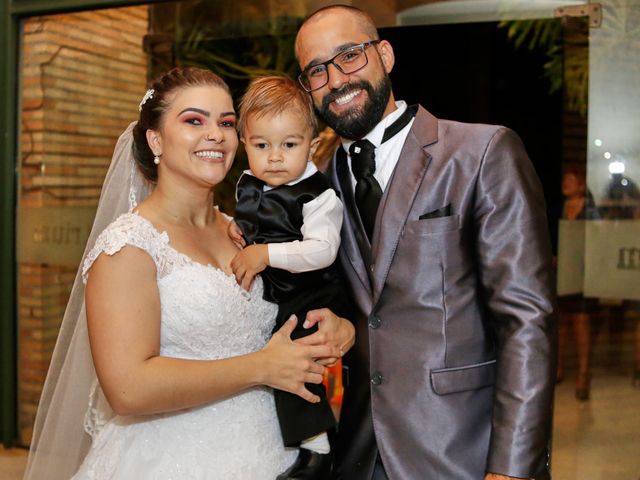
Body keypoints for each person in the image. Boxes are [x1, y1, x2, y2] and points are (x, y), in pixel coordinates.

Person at [23, 67, 353, 480]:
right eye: (194, 120)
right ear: (155, 139)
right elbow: (128, 389)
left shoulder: (244, 232)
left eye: (226, 122)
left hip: (276, 452)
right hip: (172, 458)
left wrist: (339, 325)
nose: (215, 134)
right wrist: (260, 368)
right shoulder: (128, 246)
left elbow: (300, 295)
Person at [294, 5, 557, 480]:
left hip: (464, 452)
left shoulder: (481, 154)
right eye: (317, 70)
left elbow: (525, 321)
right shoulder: (317, 184)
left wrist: (513, 467)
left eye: (349, 56)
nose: (335, 79)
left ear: (386, 55)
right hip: (358, 453)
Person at [228, 75, 350, 479]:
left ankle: (317, 445)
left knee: (294, 362)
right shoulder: (248, 184)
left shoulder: (319, 196)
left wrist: (264, 253)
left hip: (308, 294)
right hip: (272, 294)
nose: (275, 158)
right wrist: (237, 230)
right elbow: (251, 222)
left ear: (312, 146)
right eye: (262, 146)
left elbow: (321, 250)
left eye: (289, 145)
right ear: (245, 144)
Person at [556, 165, 600, 400]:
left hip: (584, 272)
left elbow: (599, 237)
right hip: (563, 270)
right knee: (561, 321)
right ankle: (559, 367)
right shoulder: (559, 207)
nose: (566, 183)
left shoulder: (591, 210)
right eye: (565, 178)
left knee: (581, 322)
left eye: (571, 179)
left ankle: (584, 373)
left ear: (581, 184)